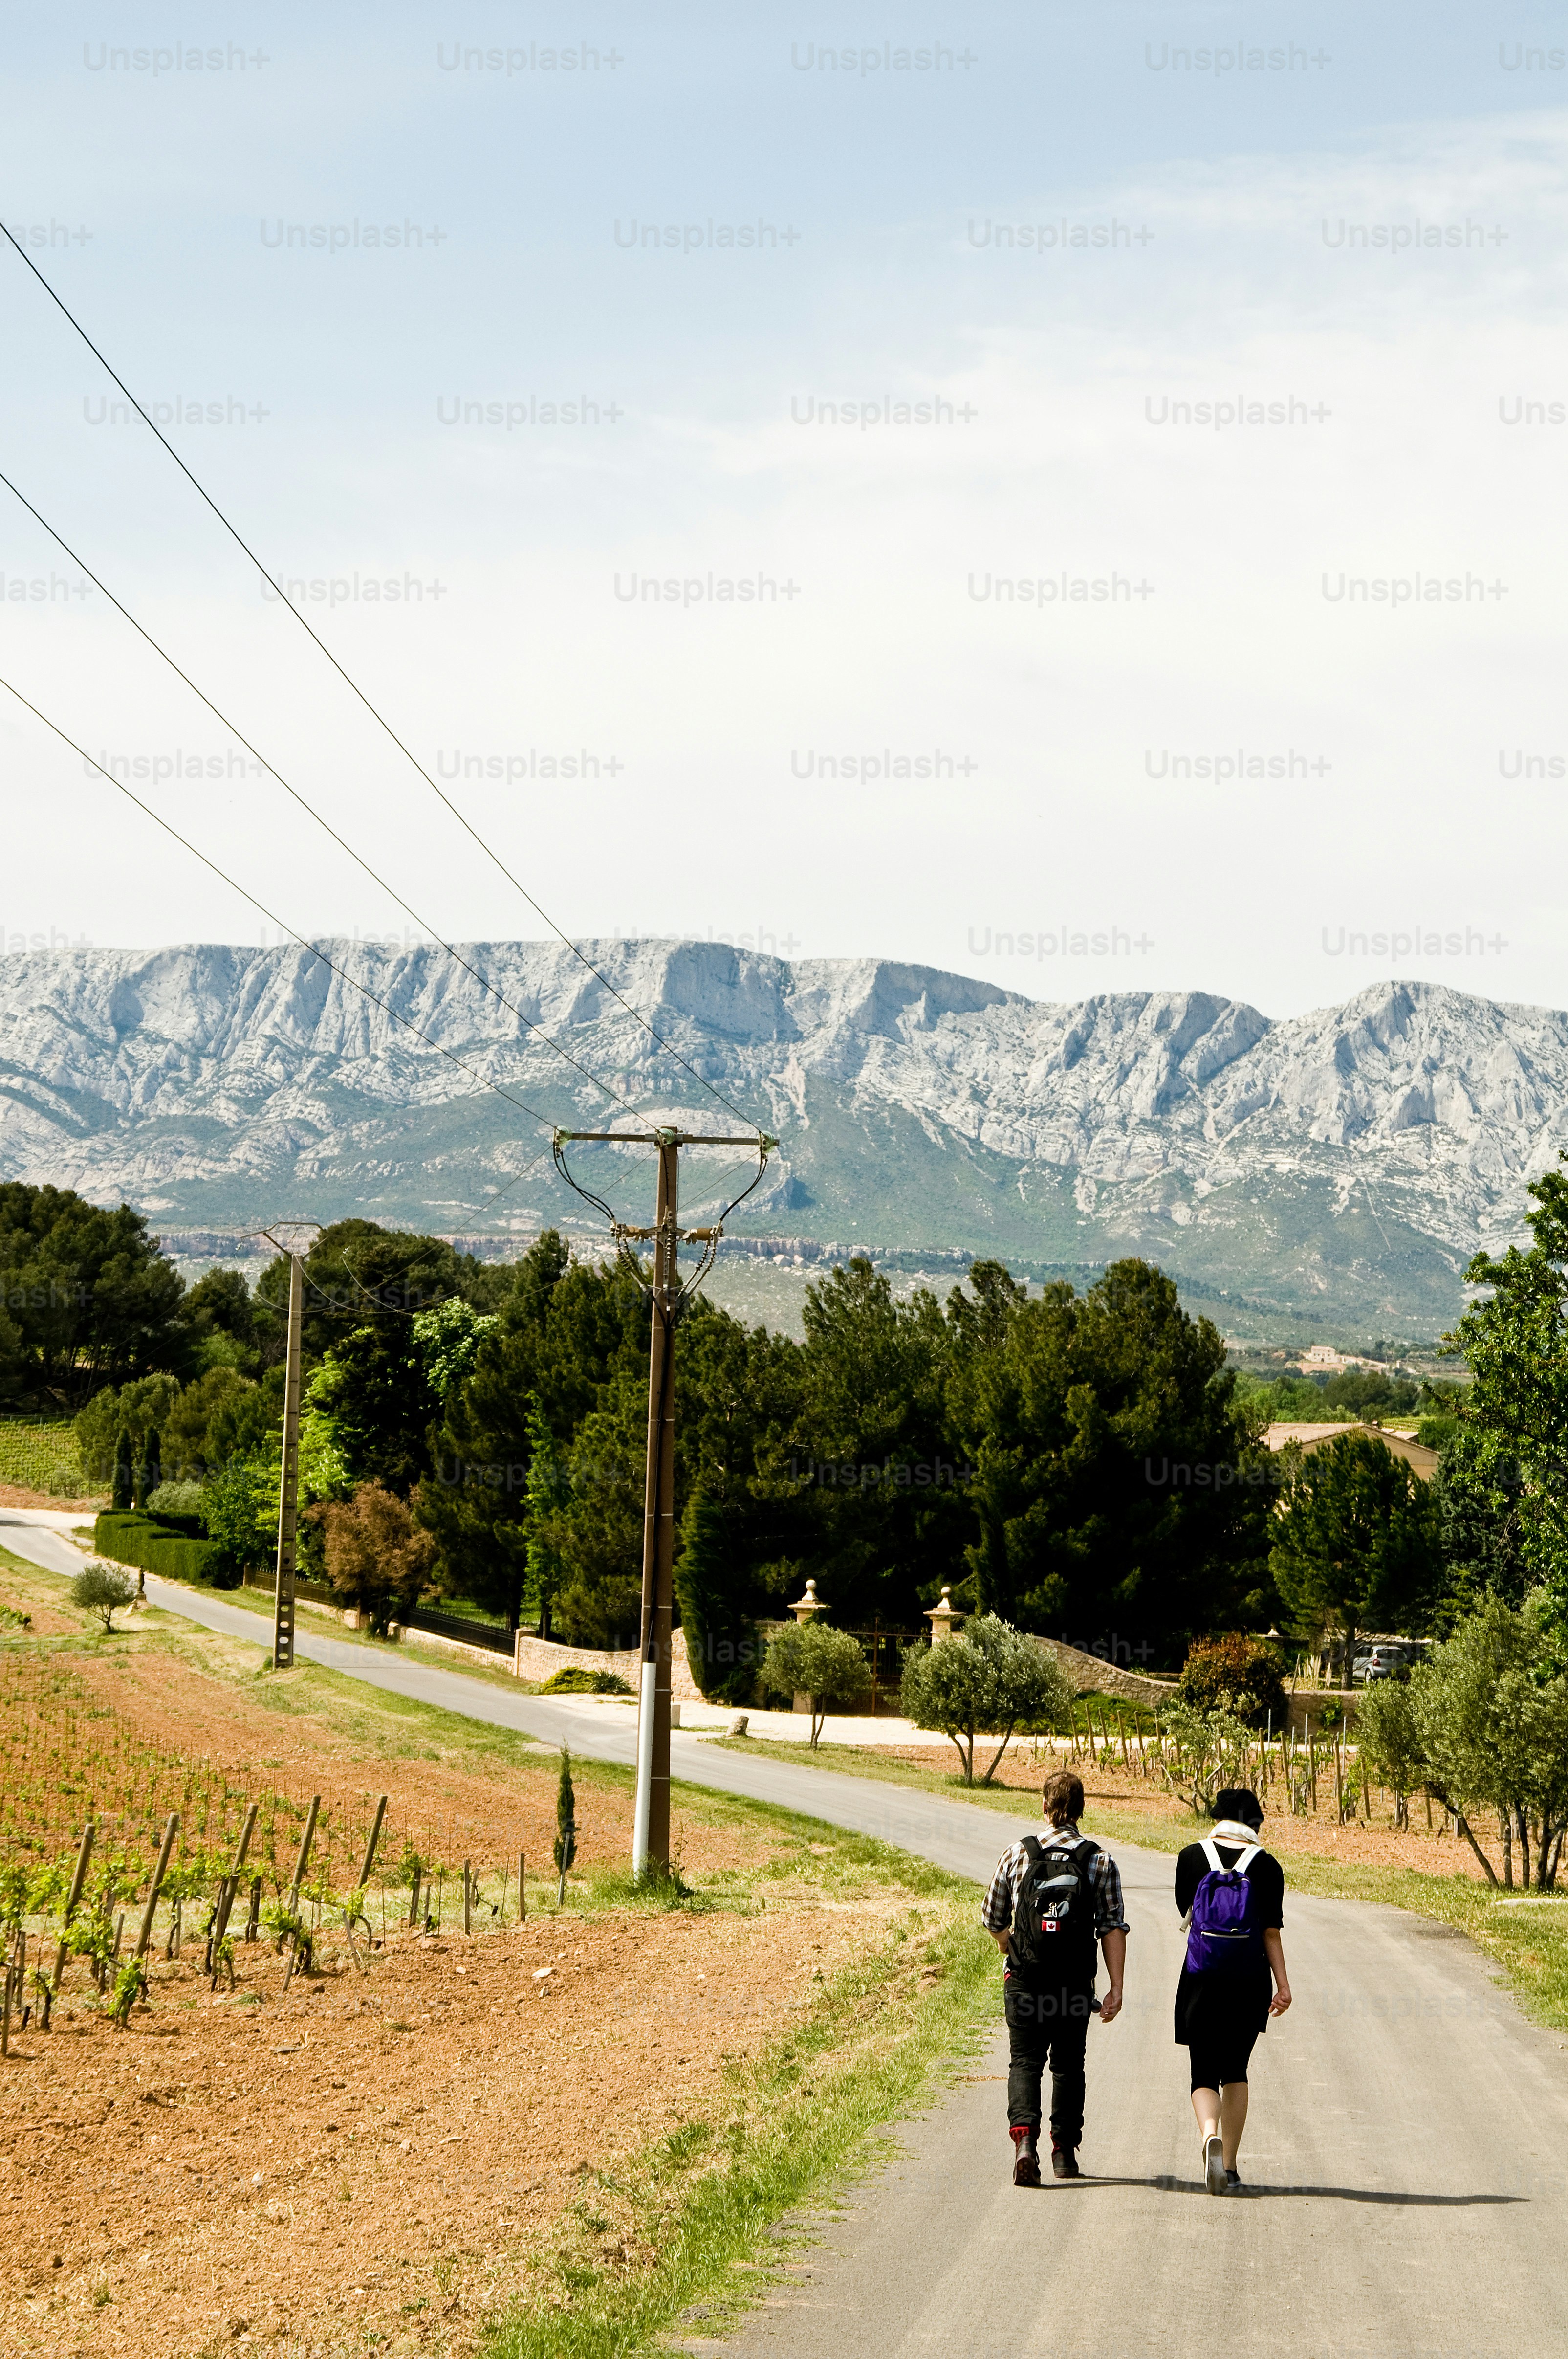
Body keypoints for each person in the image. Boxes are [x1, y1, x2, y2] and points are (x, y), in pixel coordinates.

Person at [982, 1768, 1128, 2185]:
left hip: (1026, 1979)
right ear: (1081, 1809)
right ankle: (1064, 2151)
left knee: (1025, 2061)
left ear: (1044, 1806)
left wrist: (1007, 1943)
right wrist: (1116, 1988)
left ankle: (1024, 2141)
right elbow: (1113, 1926)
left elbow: (992, 1915)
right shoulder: (1099, 1860)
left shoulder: (1018, 1852)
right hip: (1074, 1985)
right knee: (1068, 2065)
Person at [1174, 1786, 1291, 2195]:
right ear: (1253, 1822)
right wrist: (1283, 1984)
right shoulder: (1268, 1866)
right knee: (1236, 2069)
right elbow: (1271, 1931)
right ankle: (1231, 2165)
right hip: (1249, 1981)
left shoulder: (1191, 1857)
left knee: (1202, 2070)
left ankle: (1209, 2134)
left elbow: (1186, 1915)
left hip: (1201, 1977)